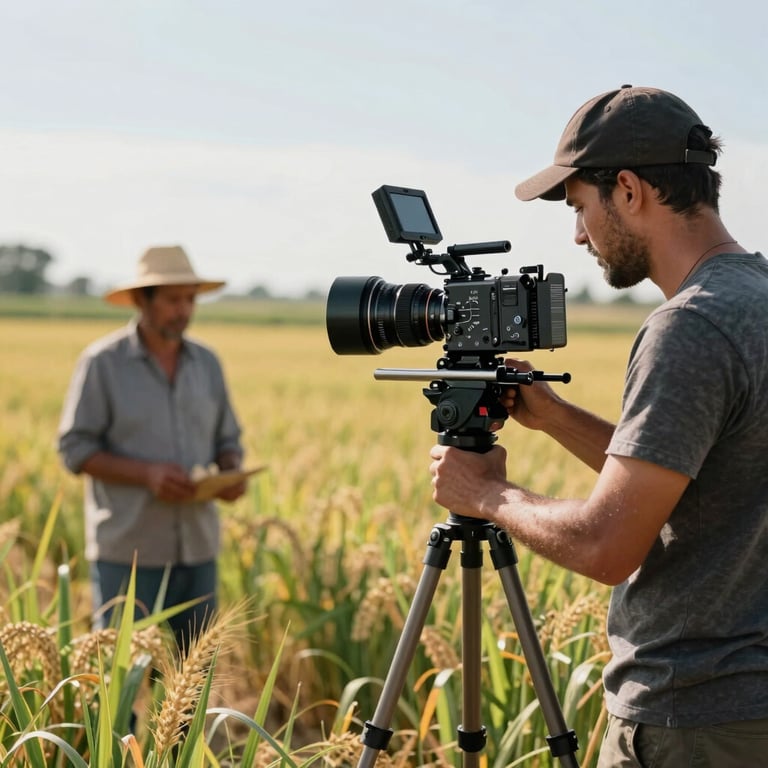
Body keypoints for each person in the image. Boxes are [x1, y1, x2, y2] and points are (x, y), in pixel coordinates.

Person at [429, 85, 768, 767]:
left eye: (581, 207)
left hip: (693, 720)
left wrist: (485, 495)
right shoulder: (754, 296)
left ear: (631, 191)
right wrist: (555, 419)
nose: (579, 233)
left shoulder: (689, 326)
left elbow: (608, 547)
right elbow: (700, 480)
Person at [58, 245, 247, 649]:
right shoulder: (102, 363)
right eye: (173, 300)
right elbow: (75, 449)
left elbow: (227, 441)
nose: (184, 310)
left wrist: (231, 474)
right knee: (117, 681)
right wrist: (148, 475)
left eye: (190, 299)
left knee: (192, 684)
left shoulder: (207, 363)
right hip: (128, 551)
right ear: (143, 300)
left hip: (197, 547)